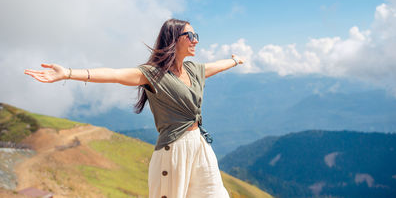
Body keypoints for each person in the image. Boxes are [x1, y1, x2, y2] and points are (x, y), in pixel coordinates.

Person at [24, 18, 244, 198]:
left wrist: (234, 61)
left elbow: (216, 67)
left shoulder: (194, 70)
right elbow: (114, 75)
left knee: (214, 194)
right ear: (173, 39)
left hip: (198, 144)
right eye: (191, 36)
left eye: (197, 36)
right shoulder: (152, 74)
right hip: (174, 150)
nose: (196, 41)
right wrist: (69, 73)